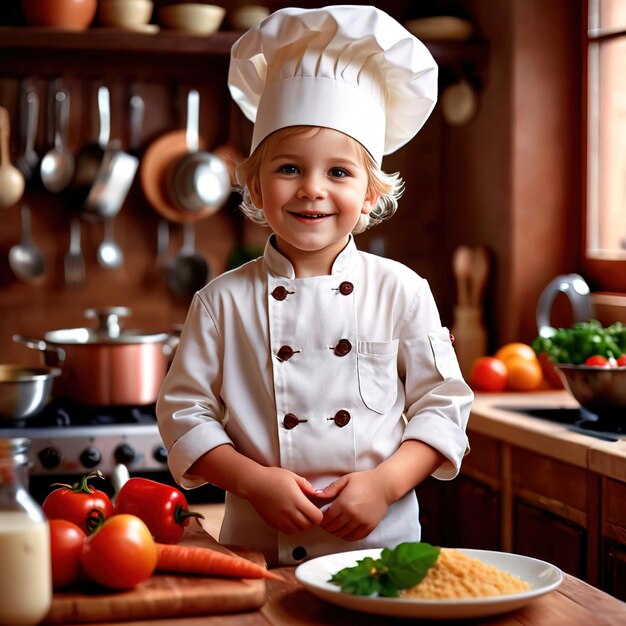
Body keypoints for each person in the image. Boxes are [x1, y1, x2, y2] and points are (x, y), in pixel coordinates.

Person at [157, 5, 473, 567]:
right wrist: (254, 482)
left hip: (382, 550)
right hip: (261, 553)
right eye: (288, 169)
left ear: (371, 194)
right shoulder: (220, 303)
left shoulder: (402, 291)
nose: (312, 190)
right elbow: (184, 414)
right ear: (255, 182)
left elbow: (442, 405)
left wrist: (383, 485)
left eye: (339, 172)